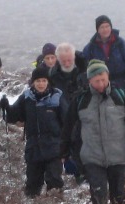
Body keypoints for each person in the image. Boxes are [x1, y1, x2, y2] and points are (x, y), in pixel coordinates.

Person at [61, 60, 125, 204]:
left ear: (108, 77)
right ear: (89, 81)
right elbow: (68, 128)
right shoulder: (80, 100)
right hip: (91, 156)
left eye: (103, 80)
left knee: (118, 193)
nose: (100, 84)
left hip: (118, 155)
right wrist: (63, 152)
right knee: (98, 192)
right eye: (96, 81)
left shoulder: (120, 96)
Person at [0, 67, 65, 198]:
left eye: (44, 80)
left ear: (48, 81)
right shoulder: (26, 98)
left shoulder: (57, 97)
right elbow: (13, 116)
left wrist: (67, 145)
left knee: (54, 181)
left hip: (54, 147)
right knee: (32, 185)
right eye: (38, 81)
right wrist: (6, 107)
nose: (41, 84)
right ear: (33, 82)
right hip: (33, 147)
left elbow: (67, 121)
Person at [49, 43, 88, 182]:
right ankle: (76, 173)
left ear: (74, 57)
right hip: (63, 114)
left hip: (83, 113)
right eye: (63, 61)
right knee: (68, 144)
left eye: (69, 60)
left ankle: (87, 173)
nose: (66, 63)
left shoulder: (84, 70)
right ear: (58, 60)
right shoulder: (53, 75)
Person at [82, 15, 125, 92]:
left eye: (107, 26)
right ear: (97, 30)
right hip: (100, 86)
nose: (105, 29)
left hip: (121, 84)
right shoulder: (90, 48)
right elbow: (84, 67)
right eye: (102, 27)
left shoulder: (120, 43)